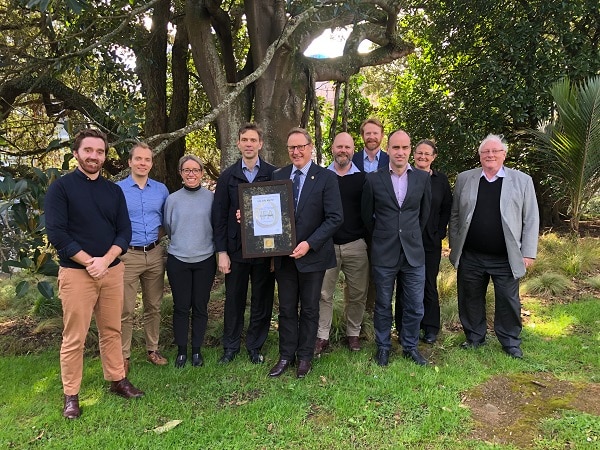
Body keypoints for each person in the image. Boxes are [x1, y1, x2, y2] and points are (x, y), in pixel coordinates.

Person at [45, 129, 144, 420]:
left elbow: (125, 231)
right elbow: (57, 234)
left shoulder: (113, 191)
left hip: (112, 271)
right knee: (74, 337)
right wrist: (91, 262)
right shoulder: (60, 189)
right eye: (88, 150)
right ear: (76, 153)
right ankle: (71, 395)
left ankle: (117, 380)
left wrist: (107, 260)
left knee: (112, 330)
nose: (94, 156)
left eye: (99, 152)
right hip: (77, 273)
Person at [449, 134, 539, 359]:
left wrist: (528, 252)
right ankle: (474, 337)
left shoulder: (522, 180)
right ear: (479, 156)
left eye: (495, 151)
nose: (490, 155)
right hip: (471, 255)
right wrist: (454, 245)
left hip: (506, 256)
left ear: (504, 155)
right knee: (470, 298)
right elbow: (456, 215)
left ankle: (510, 341)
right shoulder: (465, 179)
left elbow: (531, 218)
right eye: (485, 152)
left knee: (508, 300)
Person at [269, 127, 343, 378]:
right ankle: (286, 356)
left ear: (311, 147)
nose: (296, 151)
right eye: (292, 147)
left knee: (310, 309)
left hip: (313, 255)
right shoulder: (278, 175)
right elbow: (266, 211)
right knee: (287, 308)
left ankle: (304, 357)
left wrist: (309, 244)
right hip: (284, 256)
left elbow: (335, 218)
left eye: (301, 146)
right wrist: (247, 217)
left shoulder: (326, 177)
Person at [362, 130, 431, 367]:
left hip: (413, 252)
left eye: (404, 148)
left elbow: (424, 214)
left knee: (414, 304)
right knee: (382, 304)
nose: (400, 152)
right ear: (388, 149)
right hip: (384, 251)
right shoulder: (373, 179)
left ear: (410, 149)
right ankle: (383, 346)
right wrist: (384, 235)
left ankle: (410, 346)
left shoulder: (423, 179)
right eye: (395, 148)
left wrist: (409, 235)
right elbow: (366, 217)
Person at [212, 123, 277, 365]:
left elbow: (280, 214)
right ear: (238, 144)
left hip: (264, 249)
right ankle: (230, 346)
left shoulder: (273, 174)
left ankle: (254, 345)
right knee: (234, 299)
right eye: (244, 140)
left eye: (253, 140)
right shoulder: (227, 176)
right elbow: (218, 217)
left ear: (260, 144)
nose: (249, 144)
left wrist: (274, 255)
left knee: (262, 300)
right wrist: (222, 252)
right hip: (236, 249)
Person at [117, 143, 170, 375]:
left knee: (154, 305)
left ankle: (152, 349)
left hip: (155, 253)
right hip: (128, 255)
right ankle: (123, 355)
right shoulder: (117, 190)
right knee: (125, 309)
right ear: (129, 162)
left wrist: (156, 241)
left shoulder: (161, 190)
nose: (142, 163)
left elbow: (167, 220)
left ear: (151, 163)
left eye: (147, 159)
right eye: (138, 159)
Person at [315, 132, 368, 355]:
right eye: (339, 147)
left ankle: (353, 333)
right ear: (332, 149)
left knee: (357, 294)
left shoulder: (364, 178)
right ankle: (322, 335)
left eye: (347, 147)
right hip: (327, 245)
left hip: (356, 245)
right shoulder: (321, 176)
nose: (343, 151)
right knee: (324, 294)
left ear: (353, 150)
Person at [395, 140, 452, 344]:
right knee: (404, 284)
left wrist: (439, 233)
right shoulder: (405, 177)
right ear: (413, 154)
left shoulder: (441, 180)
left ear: (434, 157)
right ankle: (403, 326)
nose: (423, 157)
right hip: (407, 240)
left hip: (430, 241)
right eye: (419, 153)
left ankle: (430, 327)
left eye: (427, 154)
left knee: (428, 284)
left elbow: (447, 208)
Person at [163, 155, 216, 368]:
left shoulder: (211, 198)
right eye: (187, 170)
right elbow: (168, 226)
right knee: (181, 307)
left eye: (195, 170)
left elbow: (216, 225)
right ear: (181, 173)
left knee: (200, 306)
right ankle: (182, 351)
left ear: (202, 173)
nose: (191, 174)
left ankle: (196, 351)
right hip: (178, 259)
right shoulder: (172, 199)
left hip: (205, 259)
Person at [352, 118, 389, 314]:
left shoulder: (391, 161)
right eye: (368, 133)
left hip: (382, 225)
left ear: (381, 136)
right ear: (362, 136)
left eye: (375, 133)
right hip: (357, 225)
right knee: (358, 271)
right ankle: (357, 314)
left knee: (379, 270)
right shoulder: (353, 160)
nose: (372, 137)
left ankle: (373, 311)